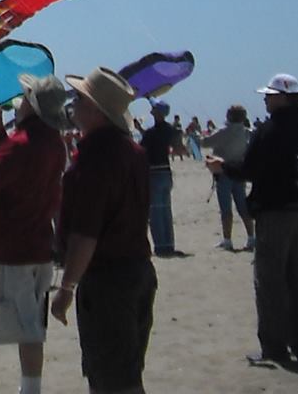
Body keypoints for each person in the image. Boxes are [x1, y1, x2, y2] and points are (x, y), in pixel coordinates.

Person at [207, 73, 298, 367]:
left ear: (283, 97)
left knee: (271, 282)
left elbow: (251, 168)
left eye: (269, 95)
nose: (265, 99)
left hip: (276, 212)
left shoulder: (271, 129)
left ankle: (275, 347)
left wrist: (222, 167)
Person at [49, 68, 154, 394]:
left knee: (111, 377)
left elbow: (86, 234)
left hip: (109, 279)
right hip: (138, 270)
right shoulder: (131, 151)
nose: (73, 104)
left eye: (79, 99)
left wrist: (66, 288)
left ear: (96, 109)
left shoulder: (95, 157)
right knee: (126, 368)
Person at [0, 73, 70, 394]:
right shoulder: (51, 142)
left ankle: (31, 388)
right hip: (37, 244)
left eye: (26, 97)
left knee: (27, 326)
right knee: (29, 319)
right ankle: (29, 385)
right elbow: (11, 168)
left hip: (15, 248)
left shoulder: (25, 144)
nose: (20, 101)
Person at [204, 104, 256, 251]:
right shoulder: (246, 132)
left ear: (229, 116)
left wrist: (209, 132)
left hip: (224, 172)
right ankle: (251, 238)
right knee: (243, 206)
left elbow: (204, 142)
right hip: (240, 172)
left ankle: (227, 240)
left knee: (226, 208)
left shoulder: (223, 131)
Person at [140, 100, 179, 257]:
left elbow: (142, 148)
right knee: (165, 210)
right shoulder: (170, 130)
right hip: (165, 172)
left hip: (154, 173)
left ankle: (161, 246)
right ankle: (169, 244)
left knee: (156, 212)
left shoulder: (151, 133)